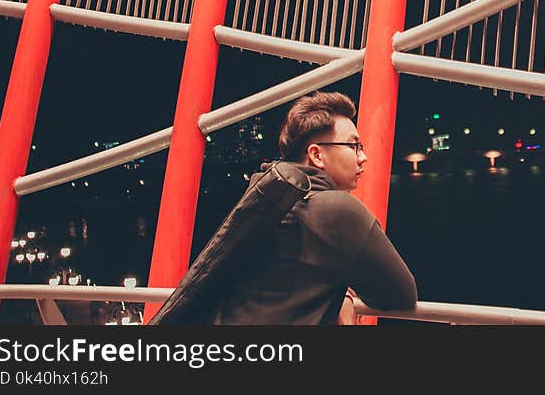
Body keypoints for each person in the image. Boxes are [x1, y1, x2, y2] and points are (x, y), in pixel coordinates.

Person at [149, 91, 417, 325]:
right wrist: (344, 293)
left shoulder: (264, 199)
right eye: (353, 145)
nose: (363, 156)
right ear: (316, 155)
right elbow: (401, 294)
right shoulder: (338, 209)